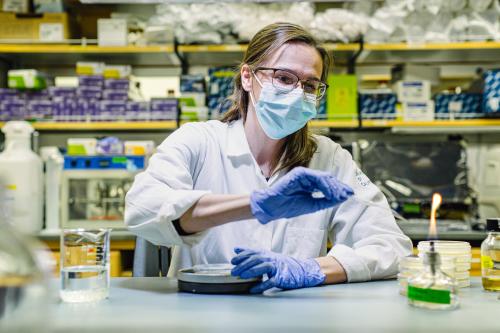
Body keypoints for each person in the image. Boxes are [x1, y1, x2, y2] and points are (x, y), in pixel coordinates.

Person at [125, 22, 412, 293]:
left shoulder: (328, 157)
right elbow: (142, 207)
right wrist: (254, 204)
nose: (298, 93)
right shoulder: (199, 141)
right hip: (203, 311)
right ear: (248, 77)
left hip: (294, 314)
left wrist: (310, 269)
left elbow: (390, 244)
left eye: (310, 85)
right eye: (284, 78)